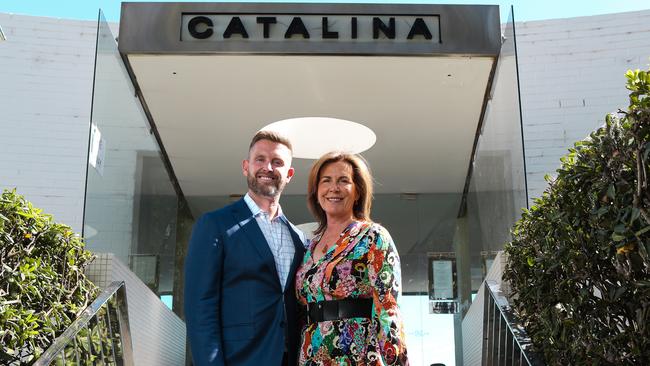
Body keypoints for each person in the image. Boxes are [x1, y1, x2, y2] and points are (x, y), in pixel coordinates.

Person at [184, 130, 306, 366]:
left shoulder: (299, 238)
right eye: (260, 159)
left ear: (289, 174)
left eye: (277, 162)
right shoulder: (215, 225)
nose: (268, 167)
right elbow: (200, 308)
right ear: (245, 167)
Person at [295, 151, 409, 365]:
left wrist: (397, 362)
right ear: (316, 191)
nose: (333, 188)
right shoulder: (309, 247)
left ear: (358, 191)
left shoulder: (374, 237)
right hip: (311, 356)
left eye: (343, 181)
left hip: (358, 355)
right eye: (325, 181)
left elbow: (388, 310)